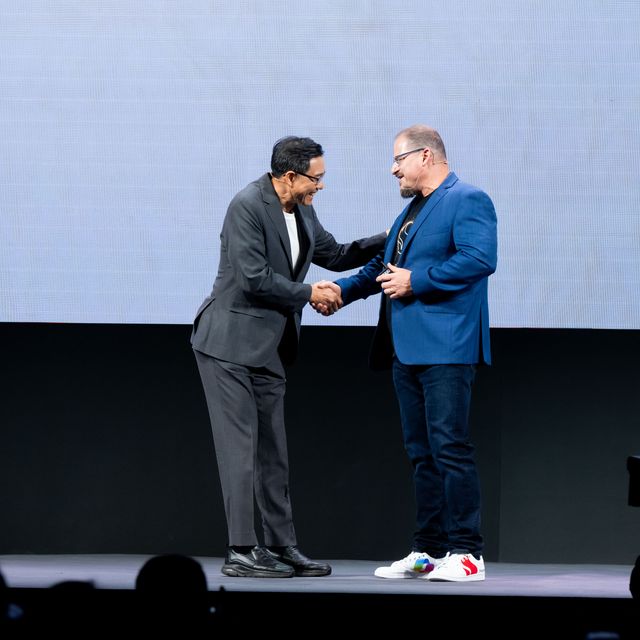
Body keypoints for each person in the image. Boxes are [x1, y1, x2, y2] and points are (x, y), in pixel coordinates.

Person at [192, 136, 386, 578]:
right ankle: (241, 549)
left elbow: (334, 256)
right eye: (315, 179)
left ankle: (281, 546)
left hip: (270, 347)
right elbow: (253, 279)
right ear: (290, 175)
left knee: (273, 452)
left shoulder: (302, 208)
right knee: (240, 451)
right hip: (227, 345)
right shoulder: (247, 205)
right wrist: (308, 293)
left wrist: (391, 237)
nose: (319, 187)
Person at [326, 124, 497, 582]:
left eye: (398, 159)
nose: (392, 169)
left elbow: (480, 258)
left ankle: (466, 553)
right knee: (421, 451)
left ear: (425, 157)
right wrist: (338, 292)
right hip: (407, 349)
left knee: (450, 447)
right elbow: (382, 268)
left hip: (447, 345)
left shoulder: (467, 199)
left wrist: (416, 281)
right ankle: (428, 549)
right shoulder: (410, 212)